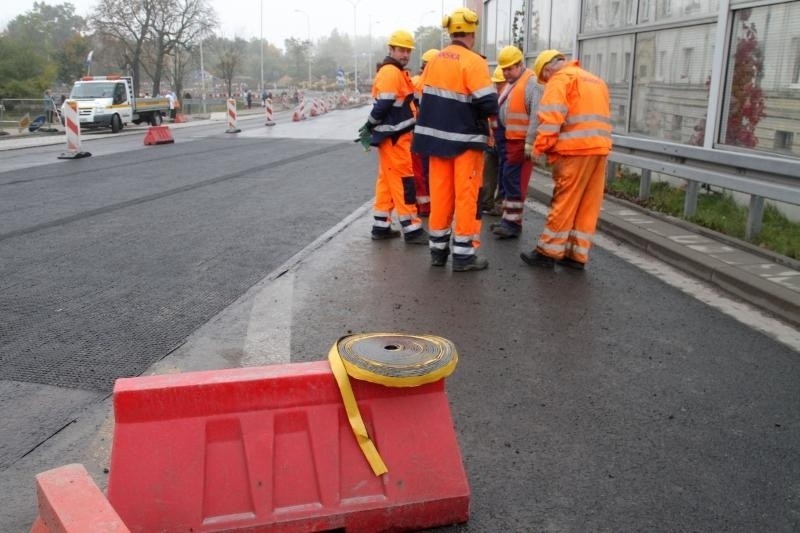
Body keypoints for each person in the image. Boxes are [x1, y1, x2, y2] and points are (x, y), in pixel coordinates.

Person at [412, 7, 499, 272]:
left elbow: (418, 98)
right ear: (472, 33)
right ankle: (463, 256)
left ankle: (438, 252)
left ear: (451, 32)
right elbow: (489, 103)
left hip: (436, 144)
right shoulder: (474, 62)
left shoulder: (435, 60)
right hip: (465, 143)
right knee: (466, 198)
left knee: (441, 198)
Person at [520, 49, 612, 270]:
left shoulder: (560, 79)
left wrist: (539, 148)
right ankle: (576, 255)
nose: (547, 81)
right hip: (599, 150)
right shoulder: (596, 81)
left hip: (574, 150)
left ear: (548, 69)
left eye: (545, 77)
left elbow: (551, 119)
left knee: (565, 201)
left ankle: (548, 252)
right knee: (587, 204)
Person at [360, 29, 427, 244]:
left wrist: (370, 128)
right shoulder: (391, 71)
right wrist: (368, 126)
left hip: (394, 136)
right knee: (403, 181)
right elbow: (385, 103)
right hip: (396, 137)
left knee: (387, 182)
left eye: (408, 51)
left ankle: (381, 226)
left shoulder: (396, 71)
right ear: (391, 49)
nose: (405, 54)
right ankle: (412, 228)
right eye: (401, 50)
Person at [492, 45, 542, 240]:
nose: (505, 73)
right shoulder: (514, 82)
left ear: (520, 65)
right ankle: (508, 219)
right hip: (510, 140)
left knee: (513, 181)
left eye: (509, 69)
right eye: (503, 69)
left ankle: (512, 223)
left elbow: (537, 115)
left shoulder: (532, 83)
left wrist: (530, 142)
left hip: (520, 142)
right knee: (507, 179)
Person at [410, 48, 439, 217]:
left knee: (422, 172)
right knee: (425, 172)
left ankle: (425, 205)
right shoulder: (425, 84)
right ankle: (427, 205)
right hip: (425, 135)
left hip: (421, 134)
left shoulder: (418, 82)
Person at [480, 65, 508, 217]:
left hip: (503, 143)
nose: (497, 86)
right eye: (496, 83)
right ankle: (487, 203)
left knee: (504, 175)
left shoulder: (509, 97)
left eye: (500, 83)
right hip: (492, 143)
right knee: (489, 173)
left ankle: (499, 205)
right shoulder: (494, 97)